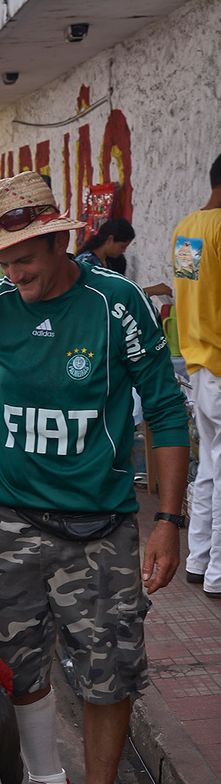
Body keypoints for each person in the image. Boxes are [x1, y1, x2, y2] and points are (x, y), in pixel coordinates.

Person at [0, 170, 189, 784]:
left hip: (100, 529)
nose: (12, 269)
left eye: (25, 254)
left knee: (109, 674)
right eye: (3, 257)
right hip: (6, 522)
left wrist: (167, 521)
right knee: (13, 667)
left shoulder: (117, 306)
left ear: (57, 240)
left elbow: (166, 409)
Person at [173, 152, 221, 599]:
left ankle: (199, 558)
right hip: (219, 363)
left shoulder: (188, 227)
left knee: (209, 464)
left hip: (199, 361)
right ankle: (217, 572)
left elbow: (190, 288)